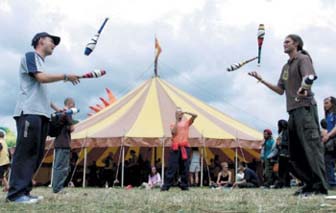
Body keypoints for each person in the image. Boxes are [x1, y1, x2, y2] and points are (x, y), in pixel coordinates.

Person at [248, 34, 328, 195]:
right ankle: (309, 183)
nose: (283, 44)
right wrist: (262, 80)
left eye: (287, 42)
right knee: (295, 152)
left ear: (296, 44)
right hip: (292, 111)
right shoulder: (286, 67)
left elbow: (309, 77)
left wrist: (304, 87)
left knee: (311, 148)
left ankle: (319, 186)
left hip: (305, 108)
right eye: (283, 42)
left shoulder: (303, 59)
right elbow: (279, 90)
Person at [7, 32, 80, 204]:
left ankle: (24, 191)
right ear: (40, 41)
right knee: (25, 154)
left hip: (41, 115)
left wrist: (57, 108)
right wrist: (65, 76)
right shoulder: (31, 56)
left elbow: (42, 93)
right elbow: (40, 78)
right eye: (51, 41)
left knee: (36, 155)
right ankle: (15, 194)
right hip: (29, 113)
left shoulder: (42, 64)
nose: (54, 44)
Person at [161, 107, 197, 191]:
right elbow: (173, 132)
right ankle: (166, 186)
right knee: (172, 167)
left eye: (180, 113)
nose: (179, 114)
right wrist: (177, 120)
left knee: (185, 167)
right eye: (177, 113)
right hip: (175, 147)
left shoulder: (186, 123)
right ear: (175, 114)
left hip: (185, 147)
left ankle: (184, 185)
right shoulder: (173, 124)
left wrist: (186, 112)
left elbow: (195, 116)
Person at [52, 98, 76, 194]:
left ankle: (56, 187)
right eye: (73, 105)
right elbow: (72, 128)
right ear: (70, 104)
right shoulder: (67, 113)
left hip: (58, 142)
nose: (74, 107)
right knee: (62, 167)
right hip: (64, 143)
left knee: (58, 166)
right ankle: (58, 188)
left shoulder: (60, 113)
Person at [322, 96, 336, 188]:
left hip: (333, 139)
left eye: (327, 102)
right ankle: (331, 183)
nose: (324, 105)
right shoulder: (327, 116)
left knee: (328, 160)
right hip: (329, 142)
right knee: (327, 161)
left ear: (332, 103)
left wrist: (328, 135)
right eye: (324, 103)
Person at [274, 120, 291, 188]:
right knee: (284, 170)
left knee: (282, 170)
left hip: (285, 153)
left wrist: (280, 143)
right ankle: (285, 183)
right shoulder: (281, 133)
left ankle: (282, 183)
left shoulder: (286, 132)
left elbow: (289, 144)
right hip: (281, 152)